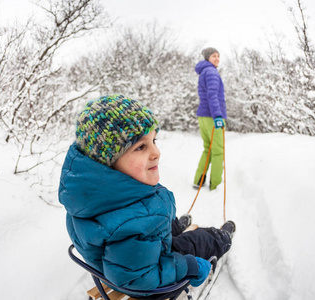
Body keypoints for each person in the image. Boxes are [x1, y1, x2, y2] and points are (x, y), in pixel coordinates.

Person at [59, 95, 235, 298]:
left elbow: (135, 229)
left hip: (138, 251)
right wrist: (189, 266)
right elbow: (140, 280)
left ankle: (173, 227)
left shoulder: (92, 196)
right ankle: (221, 238)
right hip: (149, 279)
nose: (156, 152)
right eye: (141, 147)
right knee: (200, 240)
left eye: (154, 140)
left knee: (163, 226)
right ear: (107, 163)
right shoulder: (129, 226)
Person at [193, 47, 227, 191]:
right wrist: (218, 116)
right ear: (207, 58)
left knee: (208, 149)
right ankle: (215, 184)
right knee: (218, 150)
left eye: (218, 56)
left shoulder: (204, 72)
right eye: (214, 56)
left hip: (203, 116)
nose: (217, 58)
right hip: (212, 117)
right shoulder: (212, 72)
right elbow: (212, 95)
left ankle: (198, 180)